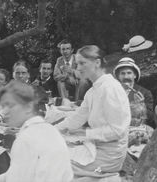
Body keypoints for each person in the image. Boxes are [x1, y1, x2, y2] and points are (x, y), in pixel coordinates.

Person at [55, 45, 131, 181]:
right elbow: (77, 118)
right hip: (95, 145)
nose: (77, 68)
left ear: (97, 63)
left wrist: (85, 134)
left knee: (56, 163)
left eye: (82, 63)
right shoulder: (93, 91)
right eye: (77, 63)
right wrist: (52, 130)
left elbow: (118, 130)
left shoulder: (110, 88)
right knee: (53, 150)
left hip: (110, 154)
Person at [0, 80, 73, 182]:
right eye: (4, 106)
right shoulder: (48, 129)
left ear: (28, 107)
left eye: (11, 105)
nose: (5, 112)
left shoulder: (26, 139)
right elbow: (19, 172)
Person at [113, 57, 155, 128]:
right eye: (122, 73)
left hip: (136, 129)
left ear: (135, 75)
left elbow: (151, 119)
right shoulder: (112, 92)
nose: (126, 76)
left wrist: (141, 105)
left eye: (129, 73)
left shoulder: (145, 93)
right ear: (118, 76)